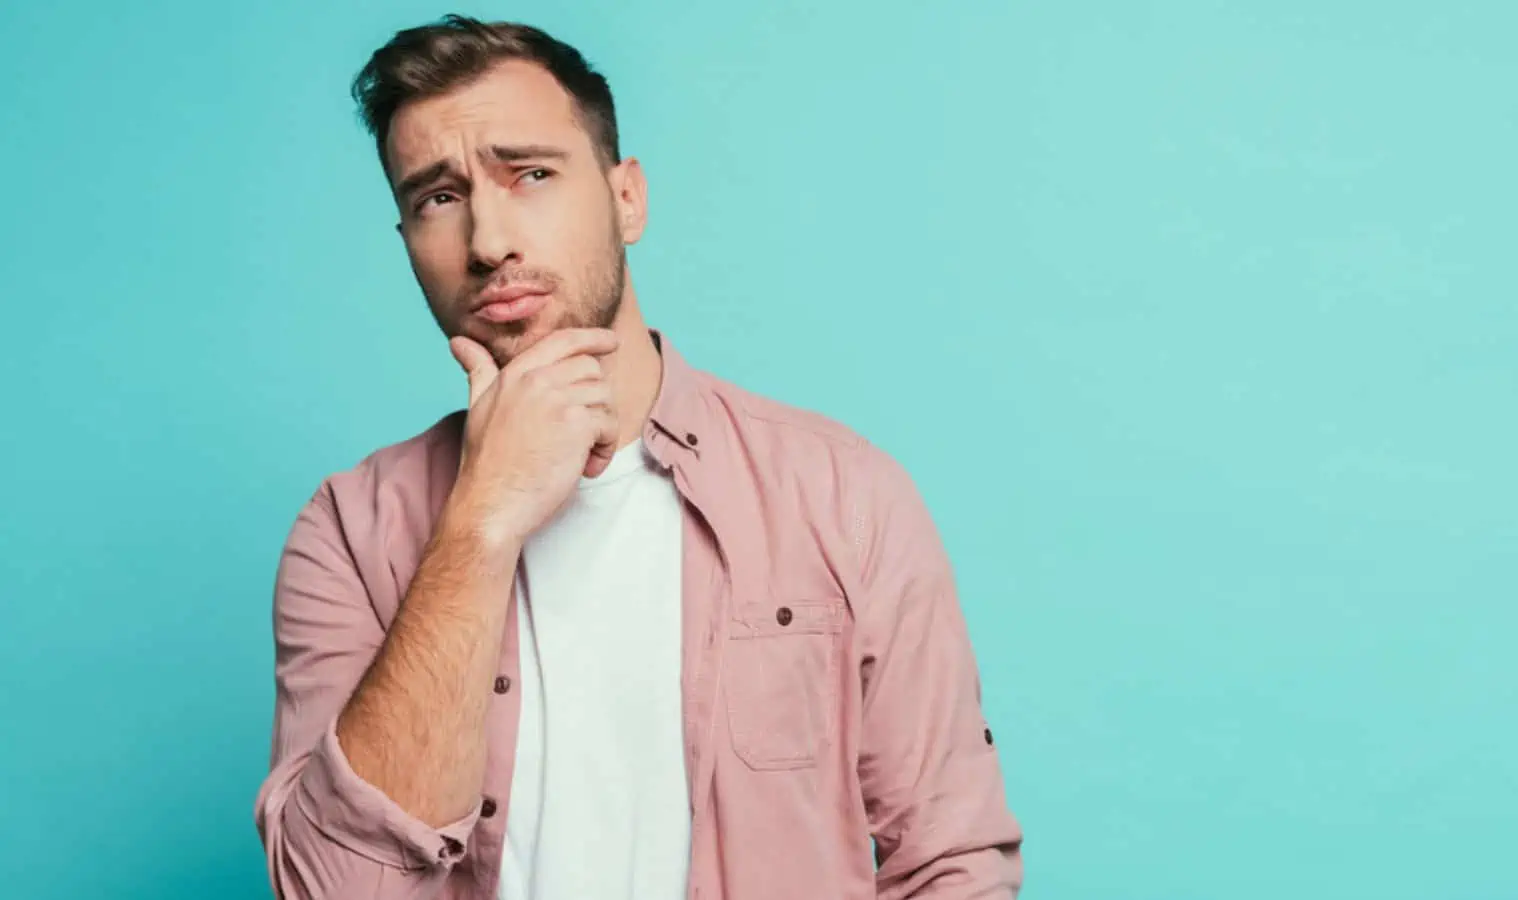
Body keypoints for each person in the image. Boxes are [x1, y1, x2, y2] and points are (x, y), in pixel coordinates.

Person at [252, 14, 1022, 900]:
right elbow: (332, 890)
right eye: (438, 197)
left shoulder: (842, 494)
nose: (489, 241)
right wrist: (481, 521)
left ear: (628, 199)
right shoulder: (349, 531)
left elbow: (953, 862)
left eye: (531, 174)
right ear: (407, 244)